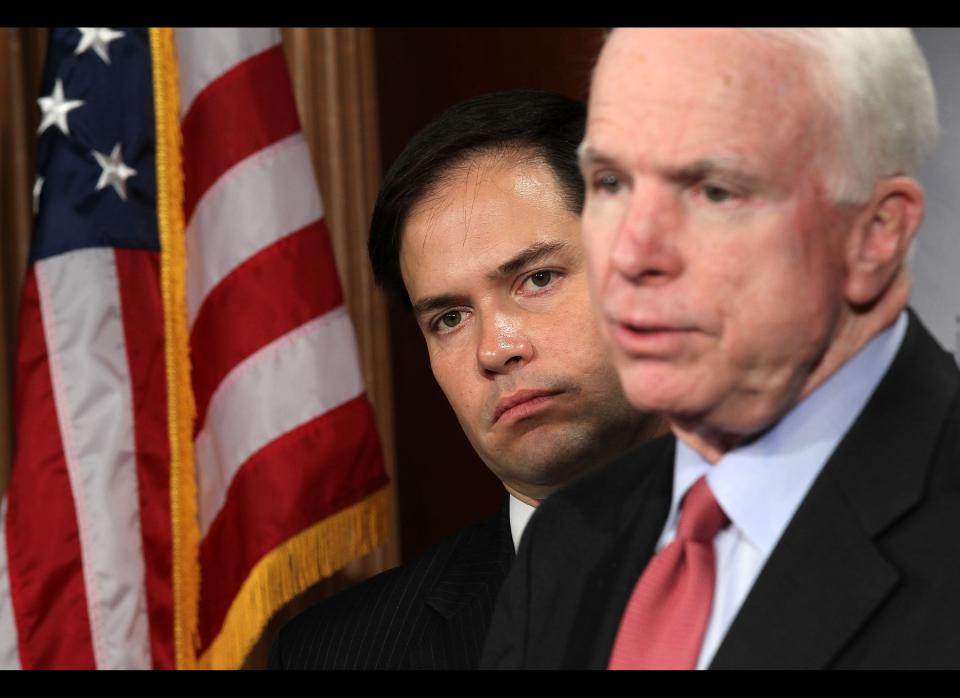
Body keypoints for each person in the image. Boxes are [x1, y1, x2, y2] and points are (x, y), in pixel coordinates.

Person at [482, 28, 960, 669]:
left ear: (875, 235)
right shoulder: (567, 541)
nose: (630, 254)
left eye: (714, 190)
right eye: (611, 182)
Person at [269, 90, 661, 669]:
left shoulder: (831, 550)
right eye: (449, 318)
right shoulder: (336, 655)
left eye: (537, 279)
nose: (496, 349)